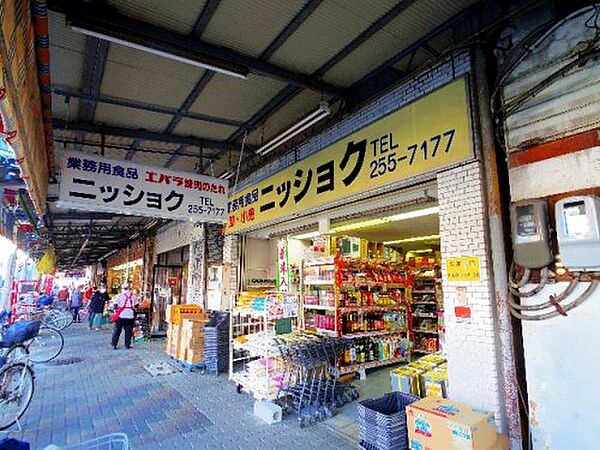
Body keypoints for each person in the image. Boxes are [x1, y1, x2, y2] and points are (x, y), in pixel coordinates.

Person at [111, 284, 138, 349]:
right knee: (128, 331)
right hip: (130, 316)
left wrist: (116, 310)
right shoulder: (134, 296)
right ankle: (127, 345)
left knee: (117, 331)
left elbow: (115, 305)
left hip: (121, 316)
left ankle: (114, 344)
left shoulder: (119, 296)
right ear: (129, 288)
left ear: (123, 288)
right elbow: (136, 305)